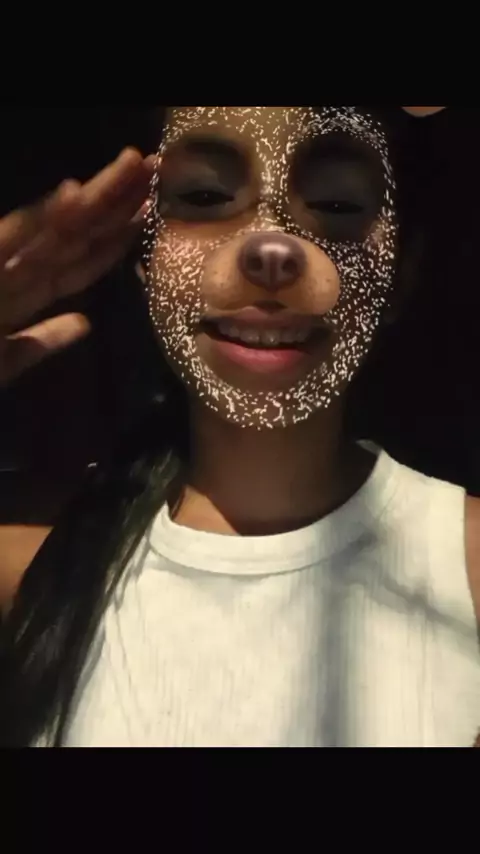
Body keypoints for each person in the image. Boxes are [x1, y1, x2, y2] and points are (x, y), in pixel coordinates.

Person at [0, 106, 479, 748]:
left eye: (337, 205)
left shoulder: (465, 569)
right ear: (144, 257)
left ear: (400, 271)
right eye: (204, 196)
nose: (271, 251)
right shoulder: (39, 575)